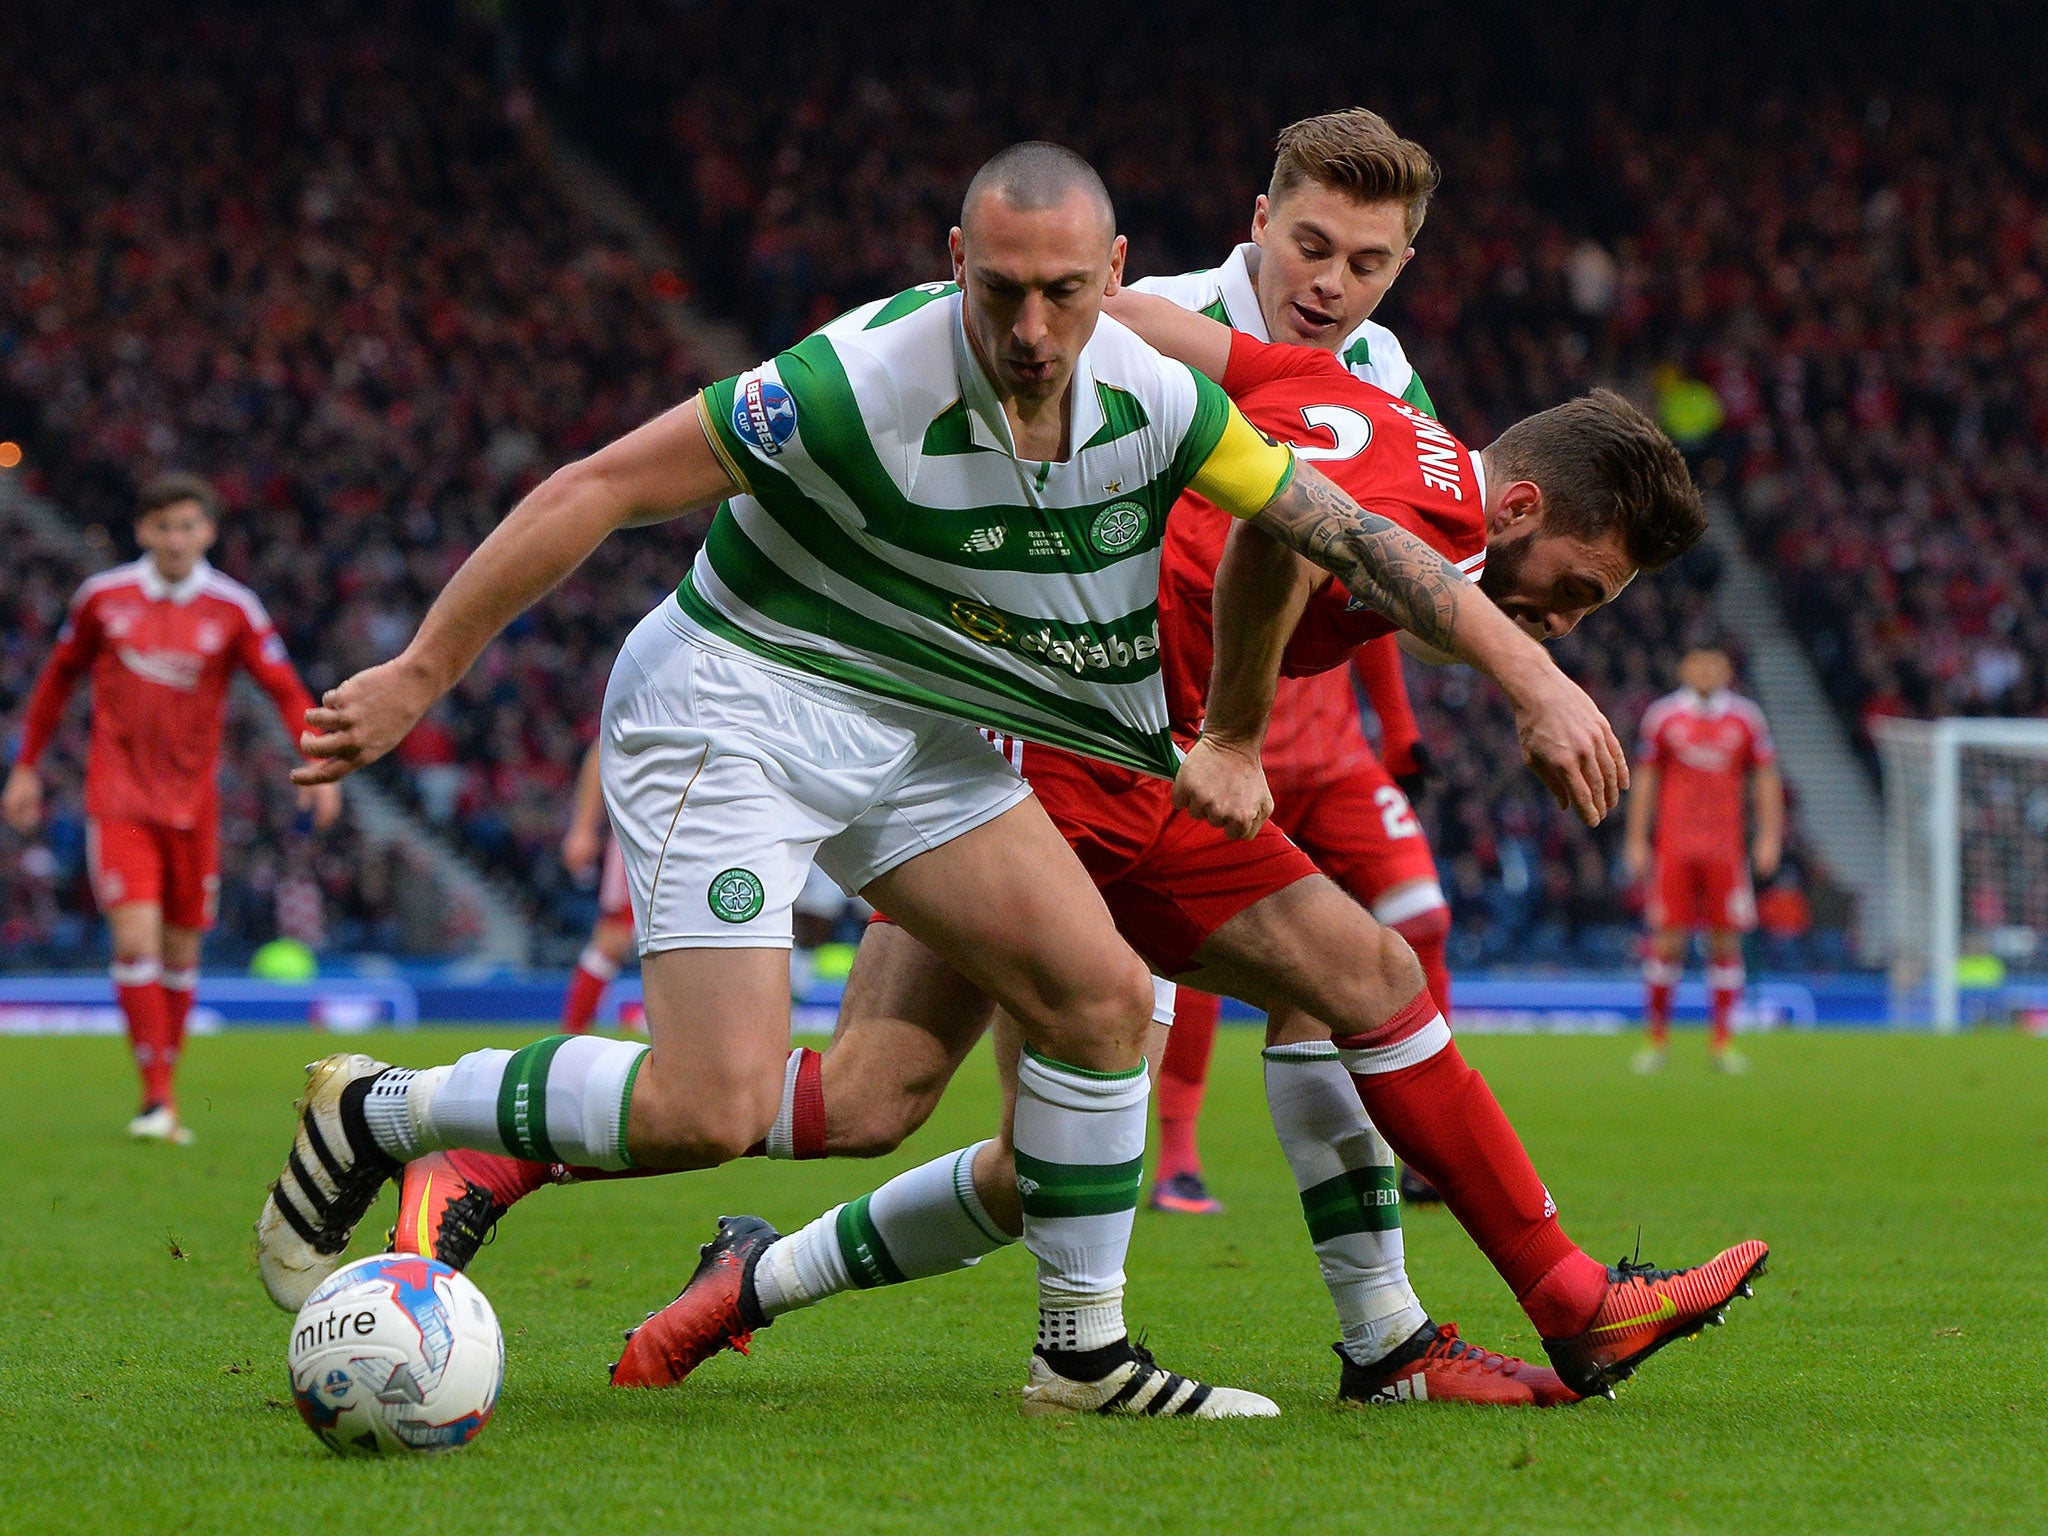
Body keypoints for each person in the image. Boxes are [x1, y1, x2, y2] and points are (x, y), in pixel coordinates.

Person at [255, 142, 1622, 1419]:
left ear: (1113, 277)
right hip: (746, 705)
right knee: (714, 1103)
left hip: (936, 732)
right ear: (956, 260)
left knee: (1086, 1021)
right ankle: (386, 1108)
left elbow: (1316, 526)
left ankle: (1083, 1359)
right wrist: (422, 674)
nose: (1035, 333)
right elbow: (598, 485)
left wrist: (1536, 680)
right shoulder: (859, 377)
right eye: (1006, 291)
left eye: (1067, 296)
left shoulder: (1160, 392)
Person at [1130, 108, 1456, 1213]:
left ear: (1401, 264)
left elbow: (1403, 580)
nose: (1331, 285)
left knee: (1353, 964)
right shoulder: (1147, 325)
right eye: (1309, 247)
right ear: (1259, 220)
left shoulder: (1381, 367)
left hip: (1238, 743)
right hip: (1063, 724)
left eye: (1367, 263)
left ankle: (1385, 1332)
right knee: (884, 1096)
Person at [2, 474, 341, 1144]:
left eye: (188, 526)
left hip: (194, 806)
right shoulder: (103, 599)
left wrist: (322, 763)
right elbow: (56, 679)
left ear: (208, 532)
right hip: (119, 797)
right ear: (143, 531)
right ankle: (156, 1097)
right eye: (164, 526)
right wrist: (26, 767)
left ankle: (166, 1088)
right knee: (135, 943)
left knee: (182, 954)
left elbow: (281, 686)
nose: (176, 538)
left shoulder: (233, 607)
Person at [1625, 647, 1782, 1073]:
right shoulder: (1663, 717)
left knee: (1725, 941)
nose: (1706, 671)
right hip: (1674, 848)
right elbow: (1645, 778)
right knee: (1667, 940)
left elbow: (1765, 777)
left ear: (1728, 670)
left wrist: (1769, 835)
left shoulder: (1746, 719)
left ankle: (1723, 1043)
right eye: (1697, 663)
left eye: (1714, 664)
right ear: (1683, 667)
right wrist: (1637, 840)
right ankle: (1656, 1040)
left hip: (1725, 851)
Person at [557, 742, 636, 1035]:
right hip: (644, 833)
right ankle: (571, 1037)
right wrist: (583, 827)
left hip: (709, 832)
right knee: (613, 938)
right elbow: (605, 746)